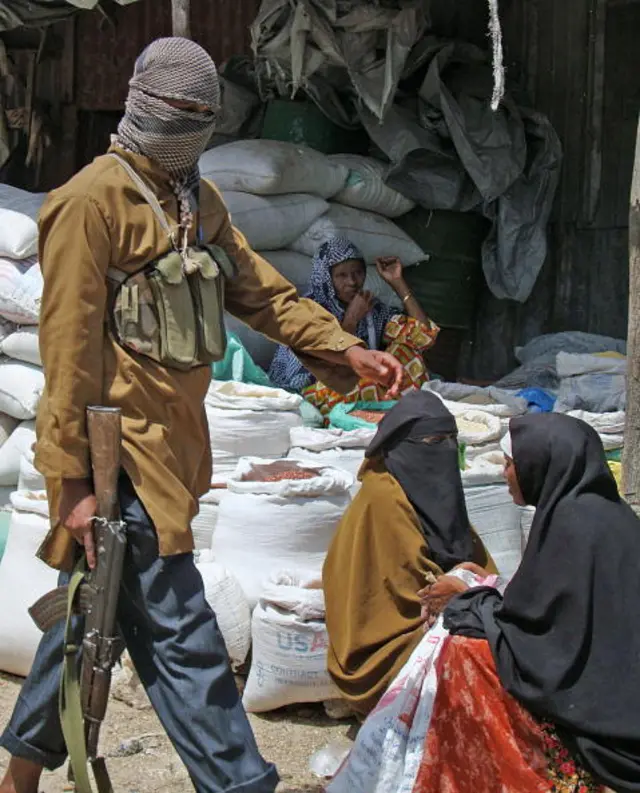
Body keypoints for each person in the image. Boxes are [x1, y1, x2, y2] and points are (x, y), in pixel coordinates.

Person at [0, 38, 405, 793]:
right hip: (122, 465)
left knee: (89, 619)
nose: (188, 129)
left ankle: (20, 772)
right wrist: (73, 486)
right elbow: (66, 357)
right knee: (186, 642)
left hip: (177, 454)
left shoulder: (197, 201)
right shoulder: (91, 204)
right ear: (147, 109)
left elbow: (264, 293)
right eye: (179, 114)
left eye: (199, 117)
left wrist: (345, 349)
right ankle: (241, 783)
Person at [412, 413, 640, 793]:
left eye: (511, 463)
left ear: (542, 463)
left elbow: (537, 640)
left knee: (466, 652)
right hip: (619, 691)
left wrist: (467, 602)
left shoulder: (573, 525)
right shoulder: (603, 513)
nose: (505, 473)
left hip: (605, 718)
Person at [323, 390, 496, 717]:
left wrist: (473, 587)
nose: (444, 451)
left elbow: (477, 565)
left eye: (451, 441)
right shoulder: (385, 498)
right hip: (386, 648)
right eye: (434, 442)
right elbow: (419, 595)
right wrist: (466, 589)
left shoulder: (431, 497)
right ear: (400, 446)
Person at [268, 237, 440, 416]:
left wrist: (398, 282)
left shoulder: (371, 308)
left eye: (358, 273)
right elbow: (303, 377)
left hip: (362, 388)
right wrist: (350, 320)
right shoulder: (309, 310)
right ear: (326, 277)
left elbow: (423, 336)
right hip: (317, 391)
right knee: (365, 377)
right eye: (341, 275)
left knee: (407, 352)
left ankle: (387, 408)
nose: (352, 282)